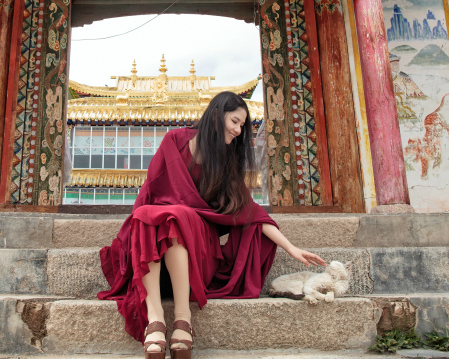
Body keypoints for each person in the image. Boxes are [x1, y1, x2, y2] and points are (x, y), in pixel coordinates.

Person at [98, 91, 325, 359]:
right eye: (235, 122)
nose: (239, 131)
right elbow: (149, 192)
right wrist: (132, 240)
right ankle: (155, 318)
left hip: (199, 252)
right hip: (156, 256)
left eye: (242, 125)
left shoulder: (226, 164)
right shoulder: (174, 141)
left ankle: (183, 318)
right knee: (152, 214)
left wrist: (291, 248)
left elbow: (249, 211)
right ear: (217, 116)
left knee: (173, 216)